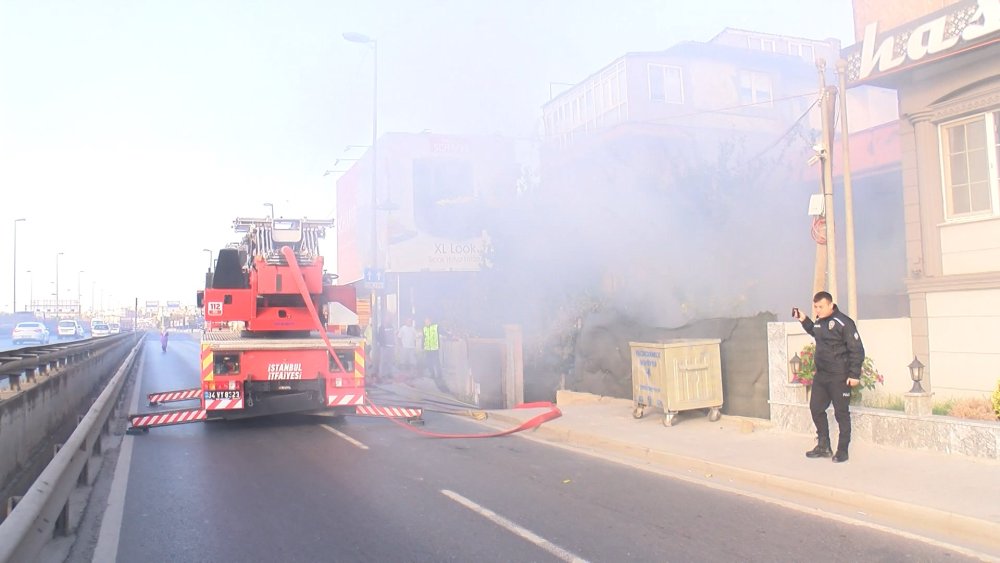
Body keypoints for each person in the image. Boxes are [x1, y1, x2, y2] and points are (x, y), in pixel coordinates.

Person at [793, 291, 865, 463]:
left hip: (839, 376)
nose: (817, 310)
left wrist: (854, 374)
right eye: (815, 307)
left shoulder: (844, 323)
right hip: (822, 376)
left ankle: (842, 450)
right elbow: (814, 331)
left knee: (841, 414)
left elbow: (857, 349)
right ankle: (824, 445)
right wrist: (803, 319)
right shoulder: (819, 322)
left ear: (831, 305)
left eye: (821, 307)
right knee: (816, 409)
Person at [422, 317, 444, 388]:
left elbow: (442, 332)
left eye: (427, 321)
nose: (426, 323)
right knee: (429, 362)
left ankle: (439, 375)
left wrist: (449, 335)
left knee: (436, 362)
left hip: (434, 348)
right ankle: (432, 374)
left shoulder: (435, 327)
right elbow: (423, 338)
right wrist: (422, 346)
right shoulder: (424, 328)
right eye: (425, 322)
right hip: (428, 348)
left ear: (430, 321)